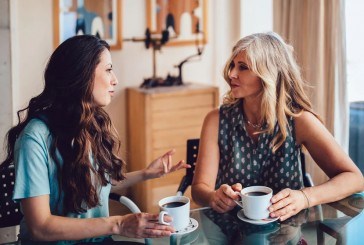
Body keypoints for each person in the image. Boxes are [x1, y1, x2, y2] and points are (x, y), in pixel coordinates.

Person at [0, 35, 190, 244]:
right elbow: (41, 227)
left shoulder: (88, 124)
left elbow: (94, 184)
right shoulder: (34, 138)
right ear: (82, 74)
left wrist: (146, 174)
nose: (115, 79)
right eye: (108, 69)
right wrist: (118, 224)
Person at [191, 32, 364, 222]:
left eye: (243, 67)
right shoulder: (215, 120)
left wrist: (305, 197)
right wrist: (213, 197)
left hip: (286, 233)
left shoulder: (299, 121)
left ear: (268, 73)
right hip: (228, 231)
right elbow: (199, 189)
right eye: (233, 65)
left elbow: (355, 178)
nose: (231, 74)